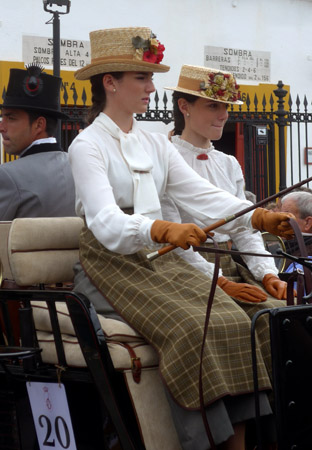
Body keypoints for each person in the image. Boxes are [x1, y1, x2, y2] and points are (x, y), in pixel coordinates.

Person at [68, 27, 294, 450]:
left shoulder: (156, 144)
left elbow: (201, 196)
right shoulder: (87, 145)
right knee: (192, 328)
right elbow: (103, 221)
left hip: (161, 256)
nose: (152, 88)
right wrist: (157, 228)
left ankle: (242, 443)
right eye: (142, 78)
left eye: (151, 78)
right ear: (110, 82)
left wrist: (258, 216)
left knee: (229, 319)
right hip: (110, 262)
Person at [163, 64, 287, 302]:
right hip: (185, 268)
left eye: (226, 107)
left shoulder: (229, 163)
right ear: (184, 106)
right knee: (235, 325)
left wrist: (268, 273)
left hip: (229, 263)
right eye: (213, 106)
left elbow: (244, 230)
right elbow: (172, 238)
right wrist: (218, 281)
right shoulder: (165, 157)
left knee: (281, 314)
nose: (224, 115)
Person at [0, 65, 76, 219]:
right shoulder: (80, 166)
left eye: (11, 118)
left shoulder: (7, 175)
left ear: (39, 125)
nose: (2, 127)